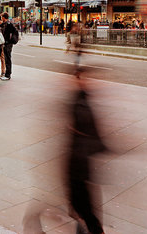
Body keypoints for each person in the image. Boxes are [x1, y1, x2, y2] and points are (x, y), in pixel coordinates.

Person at [66, 68, 107, 234]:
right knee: (82, 207)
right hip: (77, 162)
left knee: (84, 208)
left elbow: (92, 132)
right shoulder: (79, 101)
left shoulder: (82, 103)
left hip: (79, 163)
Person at [0, 13, 19, 81]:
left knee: (7, 58)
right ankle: (7, 74)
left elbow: (10, 33)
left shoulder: (8, 24)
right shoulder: (6, 24)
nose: (1, 18)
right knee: (6, 58)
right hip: (7, 43)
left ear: (4, 17)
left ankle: (8, 74)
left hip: (8, 44)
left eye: (2, 17)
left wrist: (9, 40)